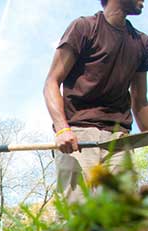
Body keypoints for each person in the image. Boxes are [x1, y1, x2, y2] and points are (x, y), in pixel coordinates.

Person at [44, 0, 148, 202]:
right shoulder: (84, 28)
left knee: (120, 218)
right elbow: (52, 82)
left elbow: (139, 99)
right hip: (78, 136)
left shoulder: (142, 43)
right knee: (77, 218)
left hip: (119, 140)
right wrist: (62, 129)